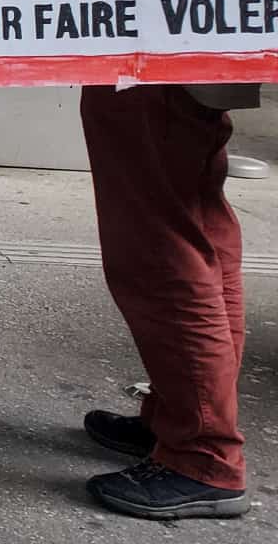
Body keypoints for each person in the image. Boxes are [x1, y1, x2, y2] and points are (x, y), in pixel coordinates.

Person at [78, 84, 252, 519]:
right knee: (196, 216)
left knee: (157, 242)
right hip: (187, 64)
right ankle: (182, 421)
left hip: (151, 67)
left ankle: (203, 453)